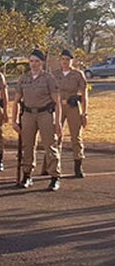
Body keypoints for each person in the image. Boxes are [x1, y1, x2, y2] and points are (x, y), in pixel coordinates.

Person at [11, 49, 62, 191]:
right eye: (32, 61)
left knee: (49, 145)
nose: (34, 64)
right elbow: (16, 101)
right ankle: (27, 175)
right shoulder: (24, 78)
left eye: (37, 61)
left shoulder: (48, 78)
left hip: (45, 114)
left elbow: (57, 102)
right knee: (27, 146)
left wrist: (57, 122)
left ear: (42, 62)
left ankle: (54, 177)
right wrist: (14, 120)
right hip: (27, 115)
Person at [53, 49, 88, 178]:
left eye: (67, 59)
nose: (65, 62)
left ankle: (78, 166)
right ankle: (52, 166)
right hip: (58, 108)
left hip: (73, 107)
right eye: (63, 59)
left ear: (72, 61)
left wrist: (85, 113)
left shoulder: (78, 74)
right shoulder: (54, 74)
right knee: (55, 136)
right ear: (60, 60)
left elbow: (84, 94)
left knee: (76, 136)